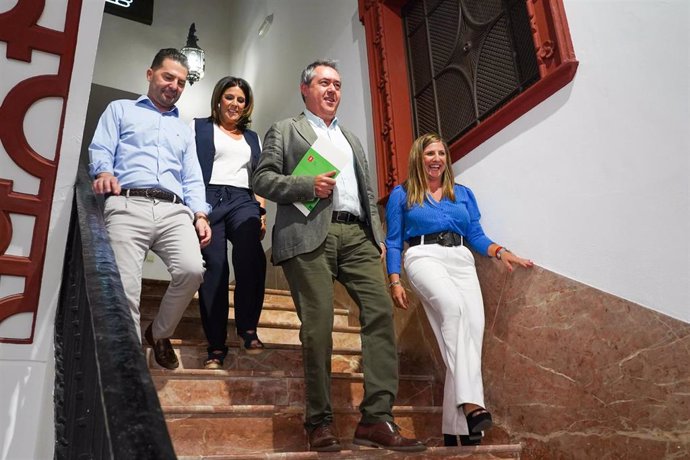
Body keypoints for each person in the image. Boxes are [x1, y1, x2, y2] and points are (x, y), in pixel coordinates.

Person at [253, 60, 425, 453]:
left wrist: (377, 235)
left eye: (337, 85)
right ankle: (319, 421)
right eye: (324, 83)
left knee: (380, 312)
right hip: (309, 233)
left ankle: (376, 419)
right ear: (305, 89)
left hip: (357, 236)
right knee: (319, 323)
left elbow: (366, 190)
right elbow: (262, 179)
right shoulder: (285, 129)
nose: (332, 90)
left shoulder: (350, 138)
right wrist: (305, 183)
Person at [385, 133, 534, 446]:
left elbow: (476, 234)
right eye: (430, 153)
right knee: (452, 309)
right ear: (418, 158)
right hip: (422, 256)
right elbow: (394, 241)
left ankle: (458, 430)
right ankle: (472, 404)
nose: (437, 158)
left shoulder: (463, 194)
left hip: (462, 260)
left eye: (441, 153)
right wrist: (395, 279)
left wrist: (501, 251)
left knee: (471, 333)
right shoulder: (402, 194)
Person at [89, 48, 211, 370]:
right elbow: (101, 147)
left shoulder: (184, 129)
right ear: (150, 74)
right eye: (167, 77)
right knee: (126, 288)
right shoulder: (120, 110)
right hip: (128, 203)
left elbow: (193, 178)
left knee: (192, 270)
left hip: (174, 210)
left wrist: (200, 214)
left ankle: (158, 333)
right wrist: (103, 172)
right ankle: (126, 366)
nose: (174, 85)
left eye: (181, 82)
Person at [192, 76, 267, 369]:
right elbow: (188, 168)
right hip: (208, 197)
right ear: (218, 100)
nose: (235, 104)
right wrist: (196, 210)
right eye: (229, 97)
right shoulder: (198, 127)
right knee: (216, 268)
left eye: (241, 99)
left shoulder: (252, 138)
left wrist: (260, 210)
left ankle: (247, 327)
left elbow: (259, 176)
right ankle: (216, 345)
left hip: (242, 199)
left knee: (251, 253)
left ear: (246, 106)